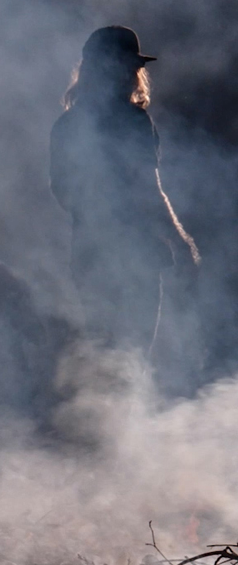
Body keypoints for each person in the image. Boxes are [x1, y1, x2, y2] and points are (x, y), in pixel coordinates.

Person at [49, 26, 195, 354]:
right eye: (131, 65)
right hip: (137, 255)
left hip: (88, 255)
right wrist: (181, 242)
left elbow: (61, 192)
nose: (136, 73)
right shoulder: (133, 122)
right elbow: (147, 188)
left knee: (106, 356)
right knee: (133, 357)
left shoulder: (65, 126)